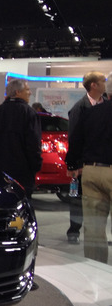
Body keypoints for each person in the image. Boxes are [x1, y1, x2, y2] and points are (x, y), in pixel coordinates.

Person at [64, 73, 112, 263]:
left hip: (91, 172)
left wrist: (73, 165)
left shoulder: (90, 113)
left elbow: (75, 140)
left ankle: (96, 272)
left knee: (93, 229)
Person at [0, 78, 43, 197]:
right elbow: (33, 144)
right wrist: (36, 166)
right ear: (18, 92)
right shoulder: (29, 114)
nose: (30, 93)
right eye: (27, 90)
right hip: (22, 173)